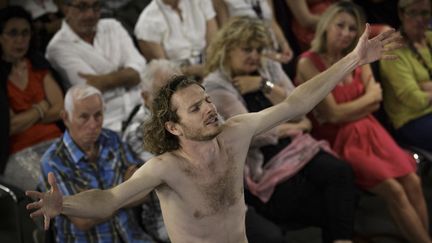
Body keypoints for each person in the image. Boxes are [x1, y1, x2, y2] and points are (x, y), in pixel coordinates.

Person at [26, 20, 400, 243]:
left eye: (206, 99)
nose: (209, 109)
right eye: (196, 108)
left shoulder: (235, 133)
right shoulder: (165, 168)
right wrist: (64, 205)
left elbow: (296, 105)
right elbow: (108, 200)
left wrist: (354, 58)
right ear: (173, 127)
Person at [203, 16, 356, 243]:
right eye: (247, 49)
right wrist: (297, 126)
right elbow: (253, 134)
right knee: (330, 204)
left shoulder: (269, 68)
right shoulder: (215, 85)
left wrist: (264, 85)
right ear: (227, 49)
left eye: (258, 49)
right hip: (261, 162)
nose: (254, 56)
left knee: (341, 172)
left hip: (297, 147)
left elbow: (301, 107)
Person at [296, 2, 431, 242]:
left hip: (371, 129)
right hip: (340, 139)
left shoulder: (356, 57)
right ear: (326, 26)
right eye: (340, 26)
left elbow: (376, 99)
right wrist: (362, 103)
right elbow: (333, 115)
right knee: (394, 190)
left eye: (351, 28)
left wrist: (355, 107)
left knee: (412, 179)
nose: (346, 33)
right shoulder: (308, 62)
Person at [39, 83, 154, 243]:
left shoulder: (112, 139)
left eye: (98, 115)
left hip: (133, 237)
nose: (93, 124)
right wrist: (127, 189)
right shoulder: (53, 161)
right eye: (84, 117)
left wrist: (96, 203)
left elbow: (146, 190)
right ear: (65, 118)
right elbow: (83, 220)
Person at [46, 0, 146, 132]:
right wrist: (126, 73)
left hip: (143, 109)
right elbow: (89, 87)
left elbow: (141, 70)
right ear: (65, 8)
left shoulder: (113, 26)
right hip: (107, 123)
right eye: (82, 7)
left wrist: (102, 80)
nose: (90, 14)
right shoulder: (57, 47)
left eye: (96, 6)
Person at [0, 6, 63, 155]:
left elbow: (60, 109)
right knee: (51, 178)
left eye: (25, 33)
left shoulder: (38, 63)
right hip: (20, 149)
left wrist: (26, 119)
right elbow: (9, 126)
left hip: (56, 139)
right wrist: (42, 107)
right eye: (13, 33)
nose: (20, 40)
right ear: (0, 37)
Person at [379, 0, 432, 152]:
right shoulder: (393, 50)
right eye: (413, 13)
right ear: (401, 14)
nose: (420, 19)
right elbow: (414, 99)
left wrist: (426, 87)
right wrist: (422, 90)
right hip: (412, 119)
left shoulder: (430, 37)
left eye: (425, 13)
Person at [134, 0, 218, 79]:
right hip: (180, 80)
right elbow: (164, 72)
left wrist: (211, 65)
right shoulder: (146, 25)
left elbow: (214, 43)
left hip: (211, 66)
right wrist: (191, 70)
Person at [212, 0, 293, 63]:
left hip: (274, 51)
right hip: (250, 56)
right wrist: (264, 55)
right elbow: (226, 36)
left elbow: (272, 22)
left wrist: (284, 45)